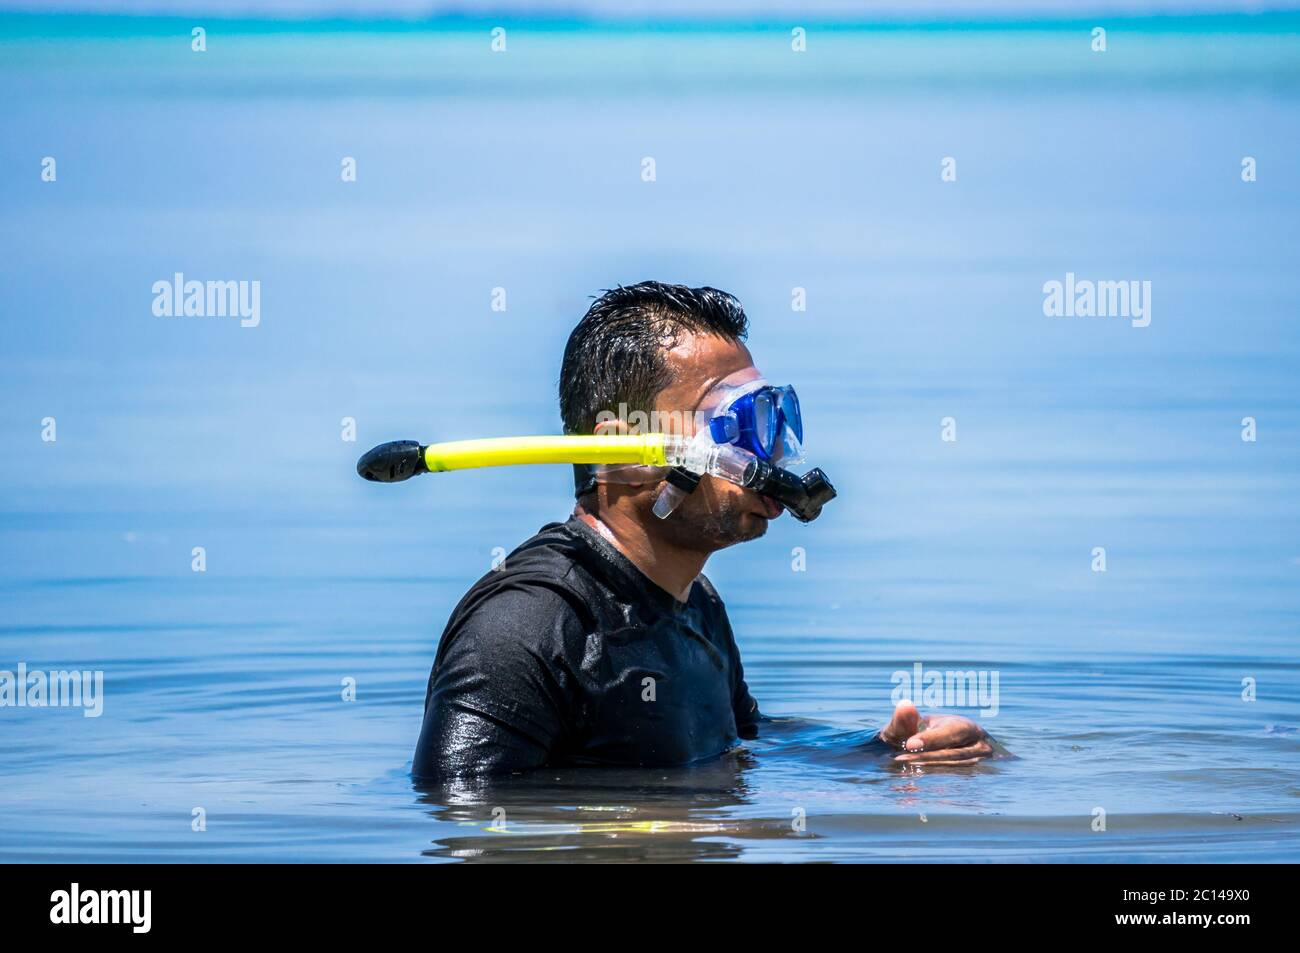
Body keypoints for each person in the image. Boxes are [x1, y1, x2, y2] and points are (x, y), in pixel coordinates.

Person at [412, 281, 993, 780]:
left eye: (771, 421)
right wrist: (664, 824)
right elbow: (463, 821)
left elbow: (743, 742)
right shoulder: (524, 627)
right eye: (735, 424)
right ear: (624, 450)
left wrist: (887, 754)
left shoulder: (697, 604)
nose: (766, 455)